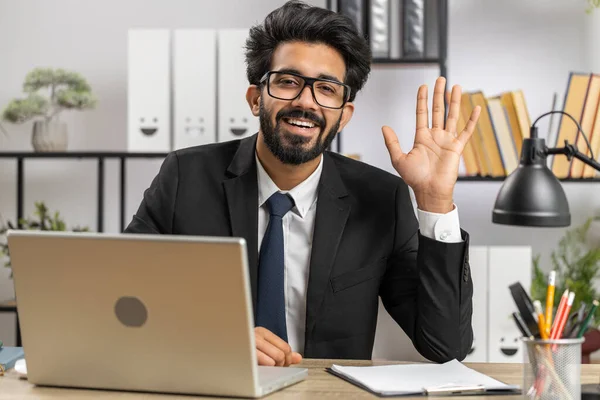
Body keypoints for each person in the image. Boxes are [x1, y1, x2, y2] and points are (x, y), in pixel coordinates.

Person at [125, 0, 481, 367]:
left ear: (344, 116)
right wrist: (216, 337)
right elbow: (123, 296)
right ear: (255, 99)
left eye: (326, 89)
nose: (305, 102)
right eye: (288, 82)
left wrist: (435, 200)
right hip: (212, 383)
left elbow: (446, 345)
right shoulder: (186, 176)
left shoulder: (381, 198)